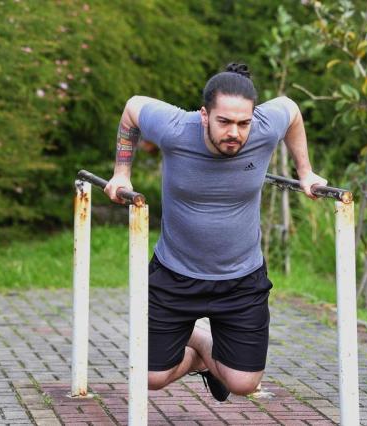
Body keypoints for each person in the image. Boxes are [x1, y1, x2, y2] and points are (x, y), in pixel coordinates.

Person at [104, 63, 327, 402]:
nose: (234, 133)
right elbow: (133, 107)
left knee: (243, 385)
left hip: (242, 279)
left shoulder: (266, 126)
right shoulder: (176, 128)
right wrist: (121, 172)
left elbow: (292, 111)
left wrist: (306, 172)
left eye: (243, 123)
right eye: (224, 122)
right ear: (205, 115)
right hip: (175, 275)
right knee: (150, 377)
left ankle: (204, 353)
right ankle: (204, 346)